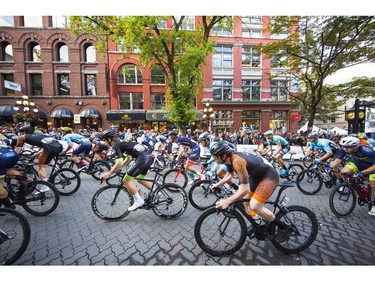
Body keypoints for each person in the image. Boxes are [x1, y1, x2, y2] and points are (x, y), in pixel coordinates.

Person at [210, 141, 292, 242]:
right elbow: (229, 175)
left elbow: (245, 189)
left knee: (255, 206)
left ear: (223, 155)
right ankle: (258, 223)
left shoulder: (237, 161)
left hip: (269, 176)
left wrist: (227, 201)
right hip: (256, 176)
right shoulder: (228, 159)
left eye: (215, 157)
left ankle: (283, 227)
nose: (214, 159)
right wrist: (217, 185)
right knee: (246, 202)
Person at [100, 129, 154, 211]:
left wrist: (109, 173)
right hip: (148, 157)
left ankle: (138, 201)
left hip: (143, 159)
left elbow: (119, 163)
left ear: (109, 139)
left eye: (104, 140)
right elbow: (128, 158)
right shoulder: (122, 142)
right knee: (140, 179)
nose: (104, 142)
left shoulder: (115, 145)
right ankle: (157, 193)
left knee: (126, 180)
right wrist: (118, 168)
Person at [330, 136, 375, 216]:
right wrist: (331, 168)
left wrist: (363, 173)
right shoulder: (344, 149)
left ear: (355, 146)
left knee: (373, 184)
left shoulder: (368, 150)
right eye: (344, 147)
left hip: (372, 165)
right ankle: (356, 185)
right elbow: (338, 159)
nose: (345, 149)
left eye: (348, 148)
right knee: (344, 172)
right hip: (360, 162)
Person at [14, 126, 63, 191]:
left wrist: (13, 158)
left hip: (50, 148)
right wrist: (36, 154)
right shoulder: (39, 135)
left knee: (41, 165)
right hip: (58, 147)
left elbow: (17, 151)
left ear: (23, 132)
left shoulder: (21, 137)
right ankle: (58, 172)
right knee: (46, 159)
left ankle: (45, 185)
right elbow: (45, 145)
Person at [0, 139, 21, 208]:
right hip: (13, 154)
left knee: (0, 186)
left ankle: (9, 206)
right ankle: (23, 179)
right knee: (7, 171)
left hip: (2, 159)